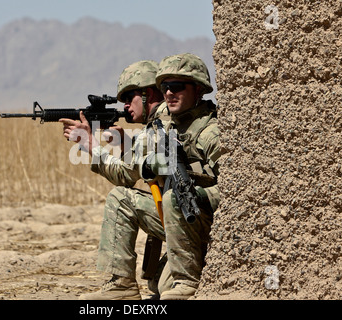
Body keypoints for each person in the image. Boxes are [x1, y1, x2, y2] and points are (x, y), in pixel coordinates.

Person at [59, 60, 169, 300]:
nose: (126, 106)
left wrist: (91, 146)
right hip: (190, 216)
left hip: (185, 220)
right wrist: (126, 145)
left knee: (120, 199)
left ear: (147, 93)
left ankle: (121, 288)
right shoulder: (169, 121)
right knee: (160, 285)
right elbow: (148, 168)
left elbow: (125, 177)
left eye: (130, 98)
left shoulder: (156, 128)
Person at [140, 53, 221, 299]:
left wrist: (197, 191)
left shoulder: (210, 132)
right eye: (164, 87)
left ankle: (188, 284)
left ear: (198, 90)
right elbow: (137, 167)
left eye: (176, 87)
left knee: (173, 199)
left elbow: (235, 187)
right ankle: (117, 285)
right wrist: (152, 163)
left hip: (204, 216)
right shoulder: (165, 124)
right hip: (175, 212)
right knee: (121, 199)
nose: (168, 93)